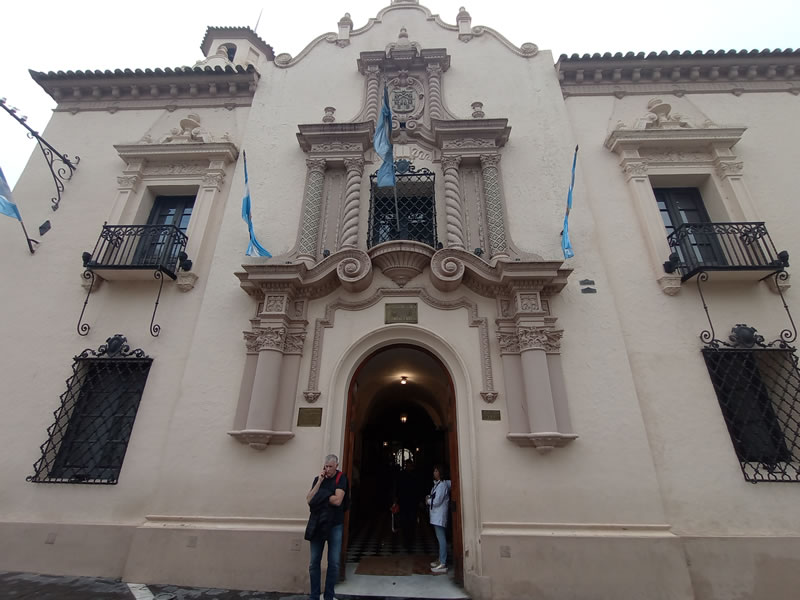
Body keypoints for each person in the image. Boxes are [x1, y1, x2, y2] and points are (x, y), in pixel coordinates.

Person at [306, 454, 348, 600]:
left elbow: (338, 501)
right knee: (314, 562)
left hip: (335, 524)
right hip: (318, 524)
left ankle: (329, 595)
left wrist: (321, 495)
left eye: (331, 466)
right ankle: (314, 596)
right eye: (326, 466)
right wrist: (320, 483)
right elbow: (309, 499)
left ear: (337, 465)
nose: (328, 469)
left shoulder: (341, 479)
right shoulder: (318, 479)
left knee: (334, 562)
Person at [426, 465, 451, 574]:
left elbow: (437, 501)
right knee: (439, 537)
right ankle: (441, 559)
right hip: (436, 515)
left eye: (436, 470)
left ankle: (443, 562)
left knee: (441, 538)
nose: (434, 472)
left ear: (440, 472)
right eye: (434, 470)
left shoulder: (442, 486)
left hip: (439, 515)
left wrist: (427, 500)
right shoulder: (438, 485)